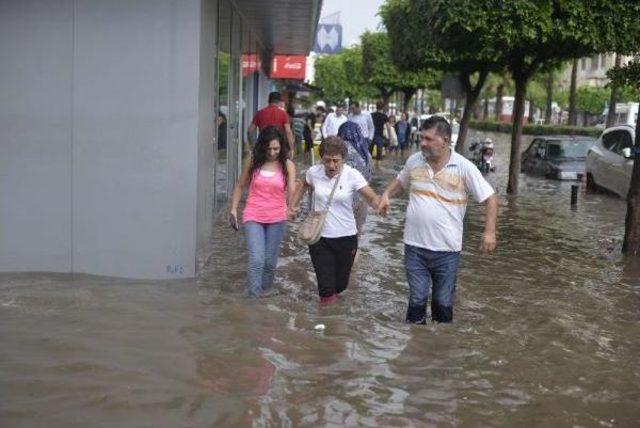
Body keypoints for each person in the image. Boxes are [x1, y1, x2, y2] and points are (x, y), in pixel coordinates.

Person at [378, 116, 498, 323]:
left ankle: (440, 349)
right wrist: (386, 195)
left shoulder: (463, 167)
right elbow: (400, 182)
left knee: (443, 304)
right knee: (416, 300)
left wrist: (489, 231)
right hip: (414, 246)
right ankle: (417, 348)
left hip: (447, 250)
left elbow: (490, 198)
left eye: (428, 139)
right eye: (421, 138)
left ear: (444, 140)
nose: (422, 143)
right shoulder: (414, 161)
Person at [290, 136, 381, 304]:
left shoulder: (352, 175)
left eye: (335, 161)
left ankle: (335, 313)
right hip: (319, 238)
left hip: (346, 238)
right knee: (325, 289)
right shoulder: (314, 172)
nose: (331, 165)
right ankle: (326, 323)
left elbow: (370, 197)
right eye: (327, 160)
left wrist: (380, 205)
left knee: (340, 286)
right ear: (321, 159)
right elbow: (303, 185)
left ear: (343, 159)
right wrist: (293, 206)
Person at [229, 126, 297, 297]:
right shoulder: (253, 162)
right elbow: (240, 185)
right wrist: (233, 209)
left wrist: (291, 209)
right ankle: (253, 299)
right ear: (263, 146)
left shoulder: (288, 166)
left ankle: (264, 294)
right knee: (257, 260)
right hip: (253, 216)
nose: (272, 152)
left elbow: (292, 193)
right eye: (269, 148)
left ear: (281, 147)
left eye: (276, 149)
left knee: (269, 263)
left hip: (277, 218)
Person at [337, 121, 373, 234]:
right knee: (355, 239)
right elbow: (370, 176)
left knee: (339, 237)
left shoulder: (339, 149)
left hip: (342, 200)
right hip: (362, 202)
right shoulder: (366, 153)